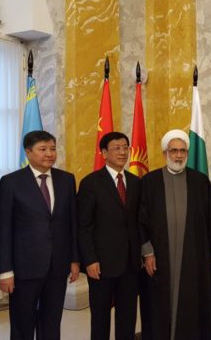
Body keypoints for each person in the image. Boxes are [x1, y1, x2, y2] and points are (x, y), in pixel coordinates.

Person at [0, 130, 80, 340]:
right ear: (28, 152)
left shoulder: (66, 180)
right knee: (22, 324)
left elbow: (72, 223)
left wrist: (74, 259)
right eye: (43, 149)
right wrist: (5, 271)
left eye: (52, 149)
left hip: (57, 265)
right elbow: (3, 228)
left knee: (51, 322)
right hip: (24, 267)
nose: (49, 154)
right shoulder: (11, 182)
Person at [138, 129, 211, 340]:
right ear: (165, 153)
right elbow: (140, 220)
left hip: (194, 256)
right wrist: (147, 252)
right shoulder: (150, 181)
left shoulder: (200, 182)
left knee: (192, 299)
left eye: (183, 151)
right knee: (159, 301)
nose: (179, 155)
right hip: (159, 254)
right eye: (174, 151)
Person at [77, 132, 141, 340]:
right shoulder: (91, 183)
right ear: (104, 153)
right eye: (117, 148)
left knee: (128, 316)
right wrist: (89, 259)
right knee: (100, 316)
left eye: (125, 147)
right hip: (101, 264)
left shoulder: (136, 182)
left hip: (131, 263)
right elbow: (84, 226)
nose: (122, 152)